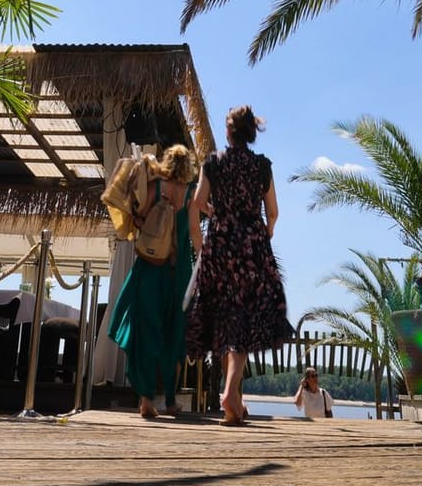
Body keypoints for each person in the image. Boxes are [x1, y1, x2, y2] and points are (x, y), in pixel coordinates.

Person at [184, 104, 293, 425]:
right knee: (243, 318)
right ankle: (233, 394)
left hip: (220, 244)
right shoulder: (262, 166)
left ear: (229, 132)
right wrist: (265, 233)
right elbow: (272, 212)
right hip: (250, 245)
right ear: (250, 132)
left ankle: (233, 395)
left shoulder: (214, 163)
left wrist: (217, 215)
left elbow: (198, 202)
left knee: (222, 315)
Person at [108, 145, 200, 419]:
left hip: (150, 268)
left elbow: (139, 221)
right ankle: (171, 401)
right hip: (179, 272)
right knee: (173, 336)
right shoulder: (191, 193)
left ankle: (146, 399)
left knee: (146, 331)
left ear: (167, 161)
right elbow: (195, 234)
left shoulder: (156, 186)